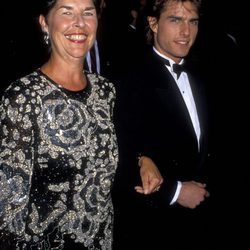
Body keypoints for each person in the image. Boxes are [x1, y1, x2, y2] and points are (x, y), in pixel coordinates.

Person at [0, 0, 117, 249]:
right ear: (45, 22)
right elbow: (9, 206)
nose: (80, 23)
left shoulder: (106, 91)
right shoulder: (22, 96)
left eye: (88, 13)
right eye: (67, 12)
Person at [113, 0, 214, 249]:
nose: (186, 31)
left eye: (193, 22)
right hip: (152, 228)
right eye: (175, 20)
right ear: (153, 23)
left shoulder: (205, 75)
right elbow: (119, 158)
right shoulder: (128, 79)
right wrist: (176, 191)